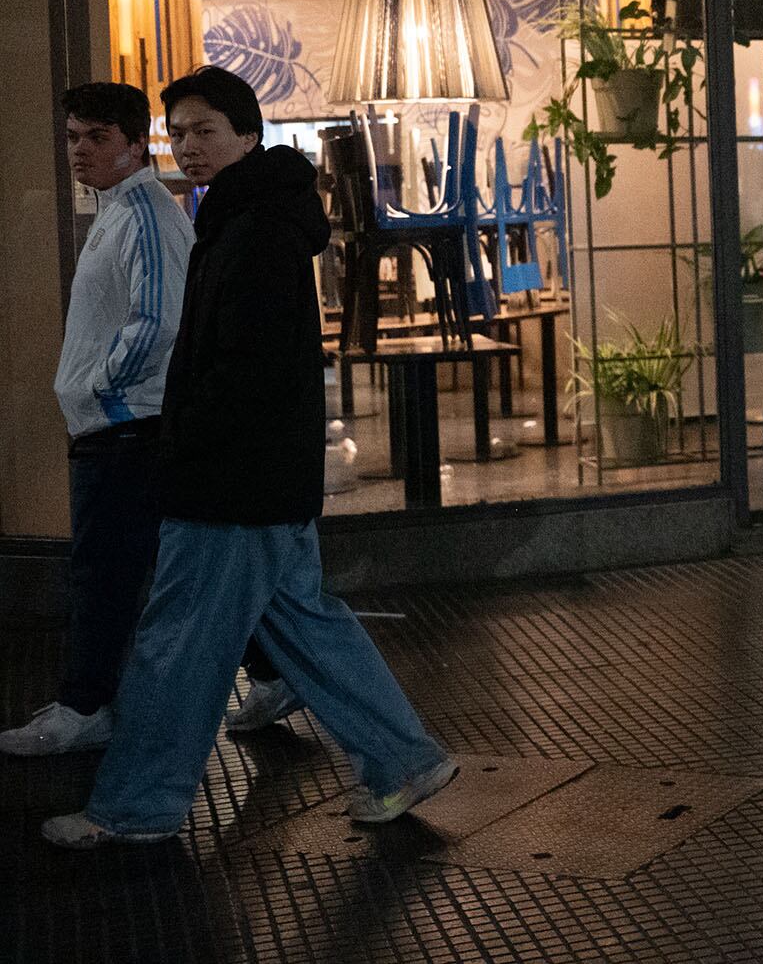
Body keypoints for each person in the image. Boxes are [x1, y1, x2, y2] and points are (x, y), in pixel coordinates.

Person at [42, 65, 454, 849]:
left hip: (231, 480)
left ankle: (136, 805)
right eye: (181, 133)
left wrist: (189, 454)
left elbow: (245, 369)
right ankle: (404, 757)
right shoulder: (248, 218)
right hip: (265, 476)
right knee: (304, 624)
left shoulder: (252, 229)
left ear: (247, 135)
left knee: (177, 642)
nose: (190, 147)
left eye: (206, 131)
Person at [0, 84, 291, 758]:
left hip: (128, 423)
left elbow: (158, 322)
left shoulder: (142, 214)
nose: (79, 150)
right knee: (172, 565)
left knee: (105, 570)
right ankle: (275, 671)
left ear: (134, 143)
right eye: (72, 136)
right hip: (128, 420)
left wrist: (94, 386)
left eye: (96, 137)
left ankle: (85, 706)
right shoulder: (124, 208)